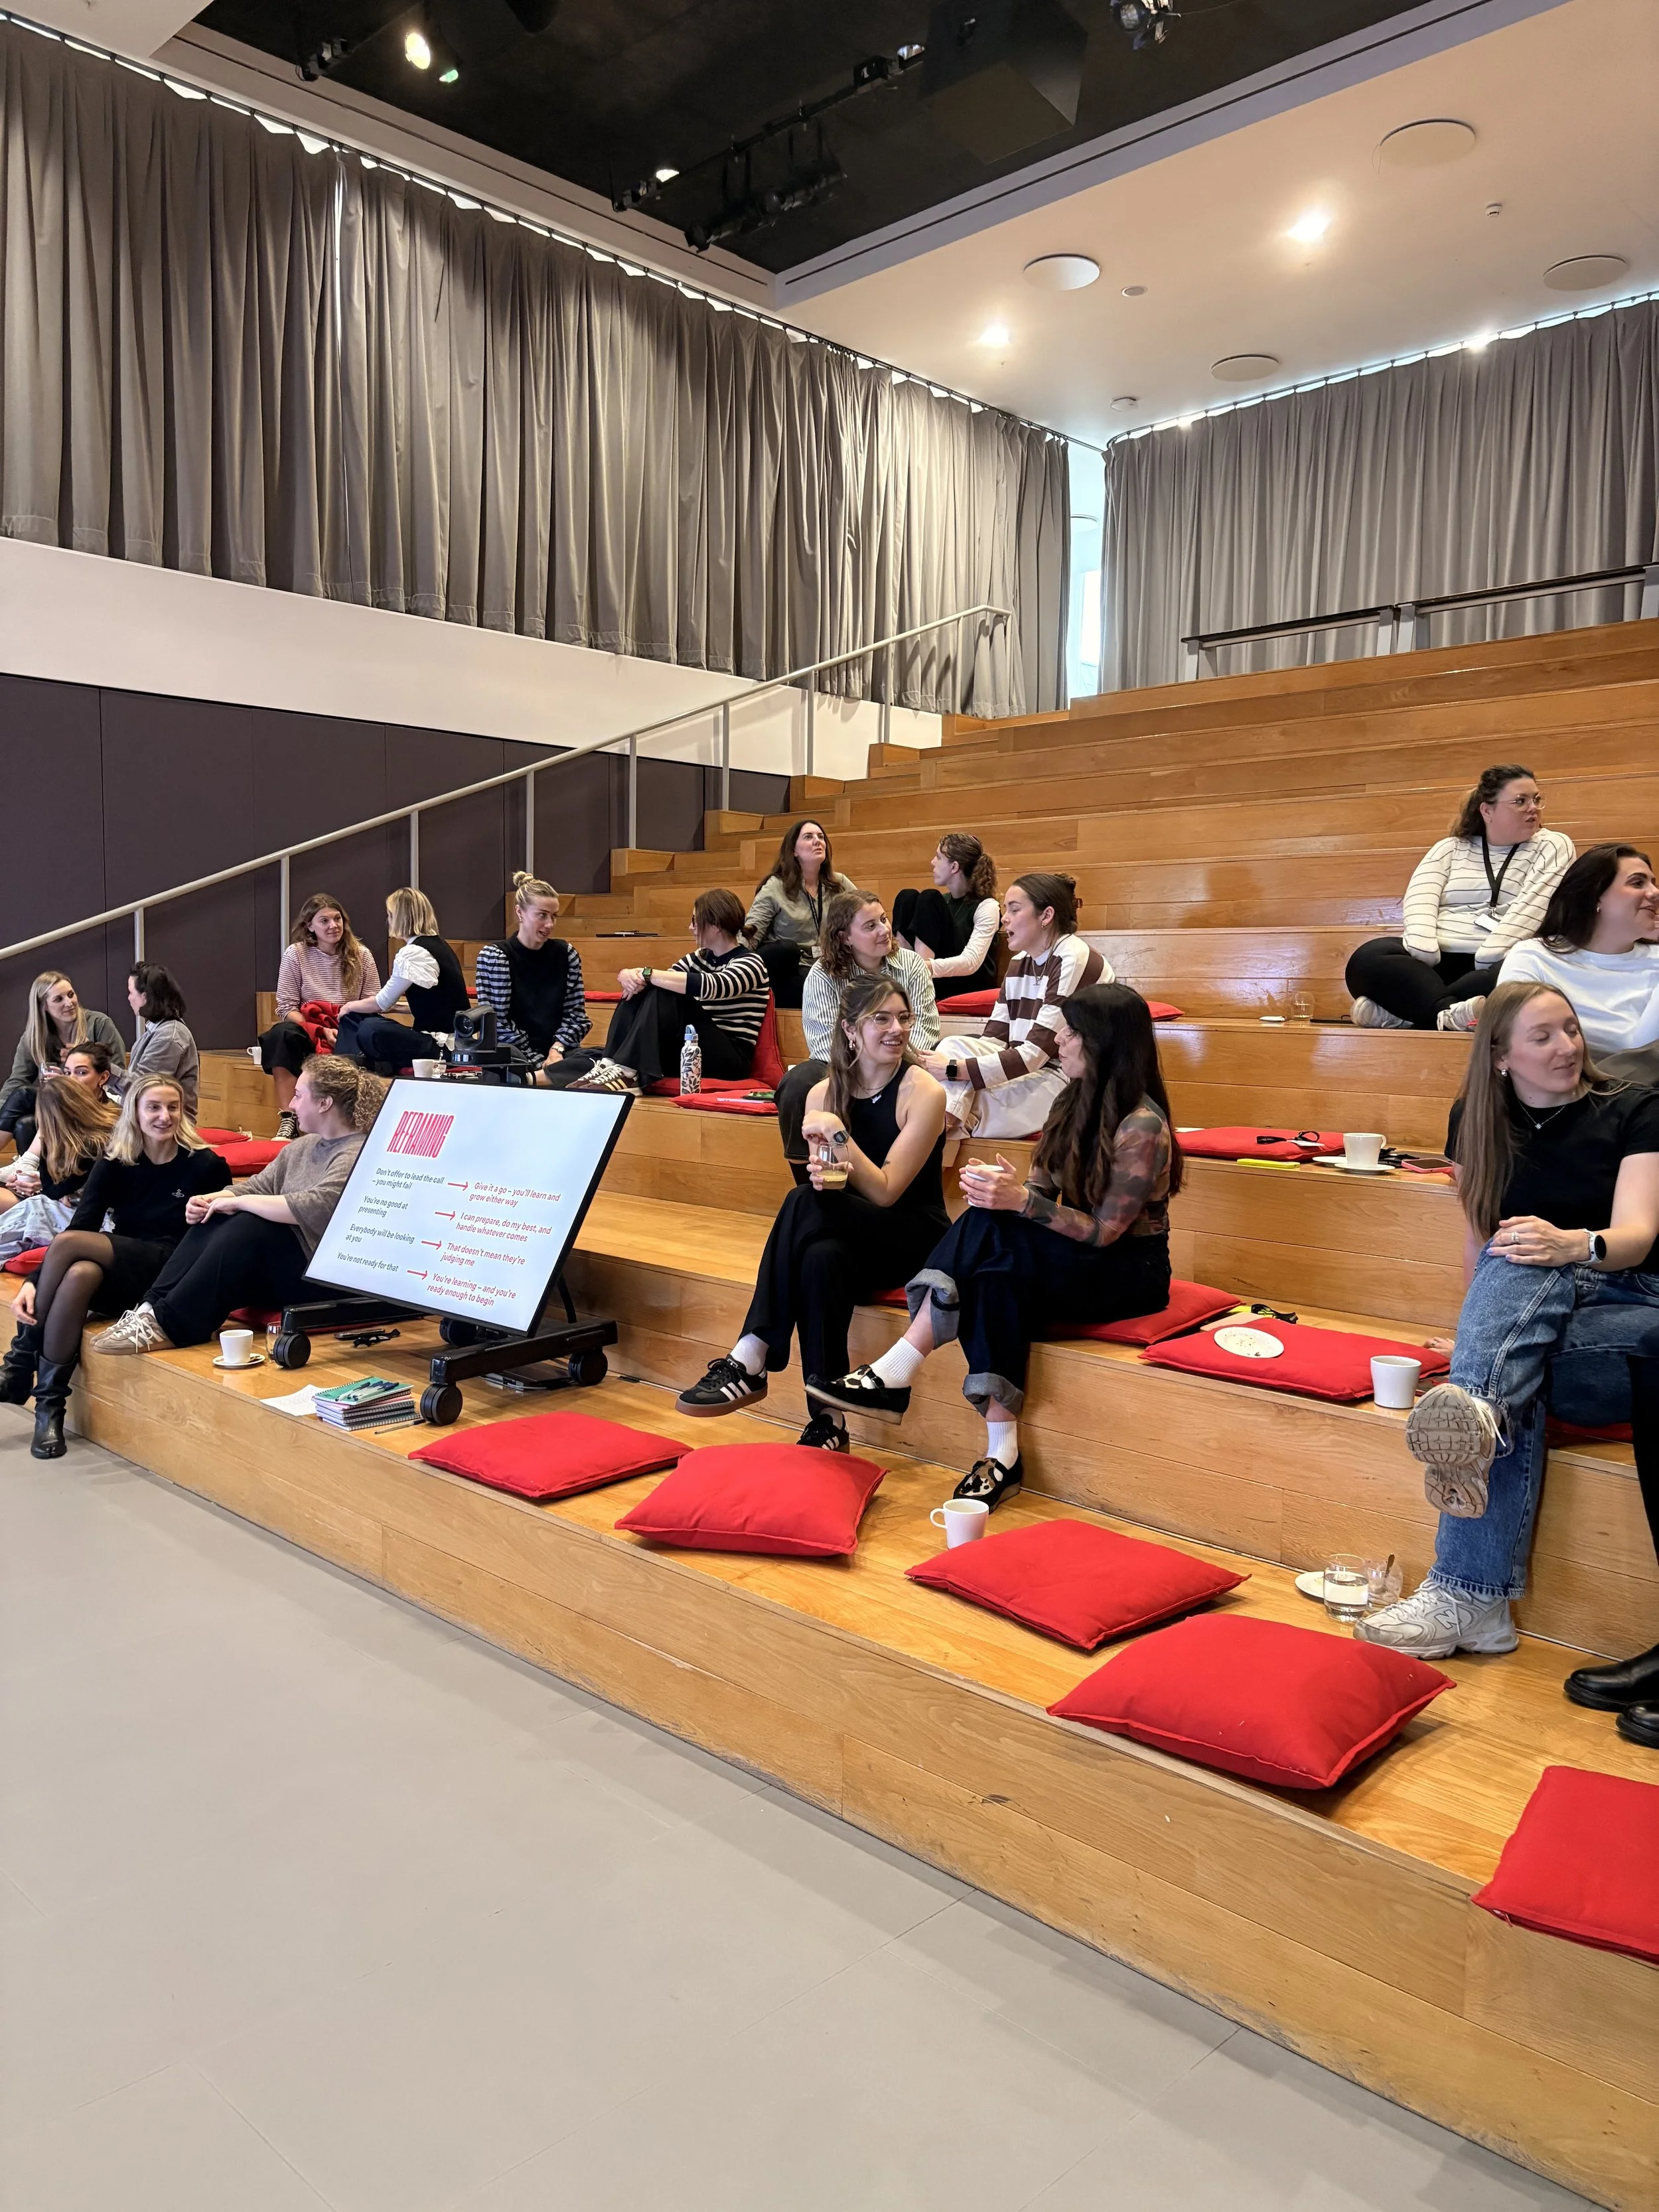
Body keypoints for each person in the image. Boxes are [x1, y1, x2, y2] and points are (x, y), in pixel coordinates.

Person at [1356, 982, 1659, 1660]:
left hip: (1628, 1301)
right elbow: (1476, 1241)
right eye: (1543, 1037)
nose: (1567, 1047)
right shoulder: (1477, 1117)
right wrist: (1474, 1330)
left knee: (1523, 1262)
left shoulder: (1635, 1109)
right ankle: (1482, 1400)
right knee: (1512, 1273)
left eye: (1570, 1030)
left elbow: (1637, 1234)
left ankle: (1469, 1595)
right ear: (1499, 1056)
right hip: (1530, 1308)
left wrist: (1573, 1243)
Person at [810, 984, 1178, 1510]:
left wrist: (1021, 1202)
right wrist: (1010, 1190)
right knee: (991, 1271)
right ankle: (1002, 1456)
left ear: (1102, 1043)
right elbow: (1046, 1195)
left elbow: (1104, 1233)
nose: (1061, 1043)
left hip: (1128, 1271)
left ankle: (898, 1369)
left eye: (1071, 1033)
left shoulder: (1142, 1125)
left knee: (994, 1234)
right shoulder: (1071, 1099)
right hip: (1074, 1254)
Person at [674, 975, 948, 1449]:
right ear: (850, 1030)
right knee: (820, 1257)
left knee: (802, 1205)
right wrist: (825, 1174)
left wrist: (839, 1136)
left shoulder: (923, 1091)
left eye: (903, 1018)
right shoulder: (823, 1093)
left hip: (913, 1236)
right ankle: (829, 1422)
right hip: (849, 1233)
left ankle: (753, 1352)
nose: (896, 1029)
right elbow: (831, 1188)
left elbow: (885, 1192)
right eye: (880, 1018)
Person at [2, 1074, 231, 1457]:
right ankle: (49, 1408)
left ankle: (20, 1361)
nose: (164, 1116)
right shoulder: (116, 1161)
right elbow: (83, 1223)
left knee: (72, 1247)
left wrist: (35, 1281)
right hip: (123, 1265)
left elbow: (215, 1236)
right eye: (153, 1108)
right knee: (80, 1273)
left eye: (172, 1107)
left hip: (170, 1270)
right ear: (135, 1114)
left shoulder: (204, 1165)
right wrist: (36, 1281)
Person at [92, 1055, 368, 1357]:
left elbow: (318, 1206)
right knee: (217, 1214)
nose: (291, 1104)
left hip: (323, 1276)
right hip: (285, 1270)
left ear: (325, 1103)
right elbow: (256, 1186)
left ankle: (172, 1325)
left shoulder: (357, 1151)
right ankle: (149, 1310)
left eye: (299, 1095)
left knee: (247, 1222)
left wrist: (238, 1203)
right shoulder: (303, 1146)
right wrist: (214, 1199)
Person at [1345, 766, 1573, 1032]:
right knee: (1369, 957)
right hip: (1436, 961)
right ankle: (1450, 1014)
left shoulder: (1553, 845)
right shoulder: (1450, 848)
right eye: (1520, 801)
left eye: (1536, 799)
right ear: (1487, 811)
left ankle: (1408, 1013)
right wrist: (1423, 948)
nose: (1533, 808)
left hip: (1495, 960)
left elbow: (1534, 907)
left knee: (1522, 969)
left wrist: (1492, 953)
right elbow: (1421, 897)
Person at [918, 871, 1108, 1140]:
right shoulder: (1020, 961)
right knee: (952, 1046)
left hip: (1066, 1079)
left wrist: (953, 1069)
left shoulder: (1073, 957)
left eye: (1014, 909)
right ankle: (941, 1127)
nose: (1004, 918)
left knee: (957, 1101)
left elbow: (1036, 1055)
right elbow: (995, 1040)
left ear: (1046, 916)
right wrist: (956, 1064)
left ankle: (934, 1132)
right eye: (1005, 909)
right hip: (1025, 1069)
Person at [776, 893, 940, 1178]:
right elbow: (825, 1041)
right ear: (845, 937)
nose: (884, 930)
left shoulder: (912, 965)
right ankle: (808, 1178)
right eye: (870, 926)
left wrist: (889, 1059)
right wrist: (866, 1066)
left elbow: (925, 1027)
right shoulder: (822, 975)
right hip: (843, 1062)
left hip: (901, 1059)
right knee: (798, 1083)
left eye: (884, 920)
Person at [1494, 845, 1659, 1081]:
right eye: (1637, 883)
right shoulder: (1534, 956)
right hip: (1563, 1092)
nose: (1655, 893)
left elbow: (1646, 1056)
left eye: (1653, 883)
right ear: (1595, 897)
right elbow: (1516, 1041)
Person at [599, 889, 770, 1089]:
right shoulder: (697, 957)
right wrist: (629, 975)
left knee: (663, 987)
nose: (691, 927)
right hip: (692, 1047)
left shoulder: (751, 962)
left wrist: (646, 973)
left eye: (695, 921)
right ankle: (609, 1062)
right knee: (648, 987)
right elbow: (661, 981)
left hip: (730, 1059)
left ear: (715, 925)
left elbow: (714, 986)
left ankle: (628, 1070)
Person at [257, 895, 380, 1133]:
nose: (333, 926)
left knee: (369, 1033)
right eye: (324, 921)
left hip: (350, 1021)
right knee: (280, 1036)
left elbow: (374, 1002)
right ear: (310, 926)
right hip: (310, 1023)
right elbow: (286, 1007)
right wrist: (319, 1030)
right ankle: (289, 1118)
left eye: (337, 919)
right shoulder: (296, 954)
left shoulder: (362, 955)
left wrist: (342, 1024)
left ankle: (350, 1121)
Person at [335, 887, 471, 1073]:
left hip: (442, 1045)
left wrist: (349, 1005)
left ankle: (348, 1068)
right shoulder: (438, 945)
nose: (388, 920)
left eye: (390, 915)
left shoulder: (414, 953)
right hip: (439, 1037)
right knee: (357, 1019)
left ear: (401, 917)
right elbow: (437, 1005)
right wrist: (399, 1008)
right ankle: (360, 1063)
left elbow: (381, 1002)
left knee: (370, 1027)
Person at [472, 874, 589, 1082]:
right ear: (520, 912)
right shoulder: (495, 956)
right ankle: (543, 1077)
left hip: (559, 1055)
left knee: (603, 1058)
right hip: (515, 1053)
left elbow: (577, 1015)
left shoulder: (567, 954)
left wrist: (557, 1050)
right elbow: (497, 1023)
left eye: (554, 916)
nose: (550, 924)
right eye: (542, 915)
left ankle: (537, 1079)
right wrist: (539, 1061)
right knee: (503, 1056)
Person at [0, 1074, 117, 1262]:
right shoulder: (90, 1132)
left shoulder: (94, 1142)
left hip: (101, 1219)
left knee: (31, 1210)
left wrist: (44, 1186)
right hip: (72, 1205)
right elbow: (61, 1186)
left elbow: (58, 1190)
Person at [1, 970, 126, 1147]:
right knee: (25, 1125)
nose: (69, 1003)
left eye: (70, 995)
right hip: (55, 1105)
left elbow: (117, 1078)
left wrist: (71, 1077)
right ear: (43, 1006)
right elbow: (17, 1080)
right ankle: (27, 1171)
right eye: (58, 999)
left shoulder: (99, 1024)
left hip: (95, 1103)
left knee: (24, 1095)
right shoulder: (34, 1037)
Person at [743, 820, 855, 1009]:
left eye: (821, 837)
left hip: (826, 965)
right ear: (793, 851)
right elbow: (751, 933)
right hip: (788, 971)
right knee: (786, 951)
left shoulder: (839, 884)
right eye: (808, 837)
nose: (817, 841)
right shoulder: (775, 886)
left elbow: (866, 912)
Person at [0, 1041, 117, 1215]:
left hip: (78, 1205)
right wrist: (33, 1179)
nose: (71, 1080)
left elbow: (78, 1186)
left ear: (103, 1077)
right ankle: (24, 1165)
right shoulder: (64, 1112)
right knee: (26, 1118)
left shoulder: (108, 1124)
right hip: (55, 1192)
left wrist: (42, 1185)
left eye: (81, 1072)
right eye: (68, 1072)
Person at [893, 833, 1001, 996]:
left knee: (929, 897)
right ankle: (903, 973)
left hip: (969, 982)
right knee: (907, 896)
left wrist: (924, 968)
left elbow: (971, 962)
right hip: (939, 978)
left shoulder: (987, 906)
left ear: (954, 867)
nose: (932, 863)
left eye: (938, 857)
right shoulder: (943, 902)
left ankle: (918, 977)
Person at [120, 962, 200, 1116]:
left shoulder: (169, 1037)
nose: (129, 998)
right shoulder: (159, 1029)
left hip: (168, 1127)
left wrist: (103, 1070)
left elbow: (140, 1088)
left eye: (131, 992)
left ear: (145, 997)